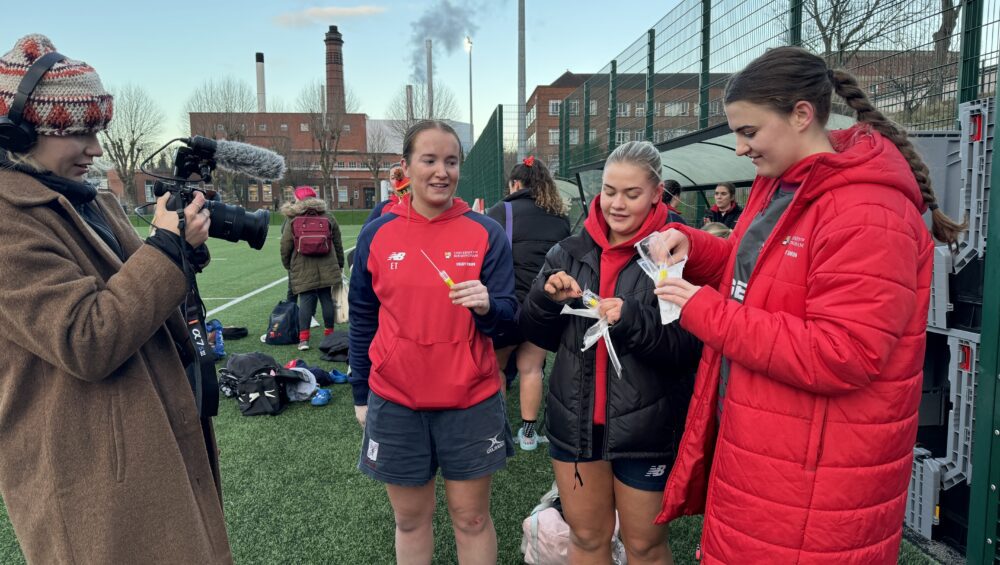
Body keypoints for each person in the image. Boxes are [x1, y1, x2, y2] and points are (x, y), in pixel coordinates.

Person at [652, 46, 965, 563]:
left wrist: (701, 310)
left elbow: (843, 352)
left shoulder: (867, 209)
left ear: (801, 115)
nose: (738, 148)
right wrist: (698, 247)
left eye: (749, 132)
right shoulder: (786, 183)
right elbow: (769, 277)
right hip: (768, 454)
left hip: (817, 488)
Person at [0, 35, 232, 563]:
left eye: (97, 131)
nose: (96, 149)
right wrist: (167, 248)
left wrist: (182, 250)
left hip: (148, 445)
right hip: (90, 478)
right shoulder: (6, 221)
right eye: (79, 133)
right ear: (17, 132)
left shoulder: (88, 199)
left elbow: (141, 291)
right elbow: (87, 339)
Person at [519, 140, 702, 564]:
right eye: (609, 191)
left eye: (631, 193)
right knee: (586, 538)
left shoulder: (677, 254)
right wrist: (547, 300)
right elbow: (534, 332)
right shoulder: (567, 251)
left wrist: (632, 319)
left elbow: (687, 349)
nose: (616, 204)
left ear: (657, 193)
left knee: (644, 545)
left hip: (646, 432)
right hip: (576, 428)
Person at [348, 120, 518, 564]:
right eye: (429, 160)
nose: (441, 171)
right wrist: (360, 392)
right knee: (409, 520)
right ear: (405, 168)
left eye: (451, 161)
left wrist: (489, 308)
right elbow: (363, 319)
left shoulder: (486, 233)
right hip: (396, 400)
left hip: (470, 400)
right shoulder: (377, 233)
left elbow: (508, 320)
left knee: (472, 519)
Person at [485, 155, 571, 450]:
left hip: (507, 306)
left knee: (496, 368)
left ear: (516, 183)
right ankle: (529, 435)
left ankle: (498, 431)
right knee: (532, 369)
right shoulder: (560, 217)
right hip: (541, 307)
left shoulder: (500, 211)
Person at [280, 185, 345, 350]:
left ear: (298, 199)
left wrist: (288, 264)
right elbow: (337, 242)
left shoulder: (293, 218)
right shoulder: (328, 216)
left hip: (302, 265)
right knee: (326, 299)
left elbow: (285, 245)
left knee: (306, 301)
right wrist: (340, 264)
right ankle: (329, 335)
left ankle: (304, 339)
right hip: (327, 264)